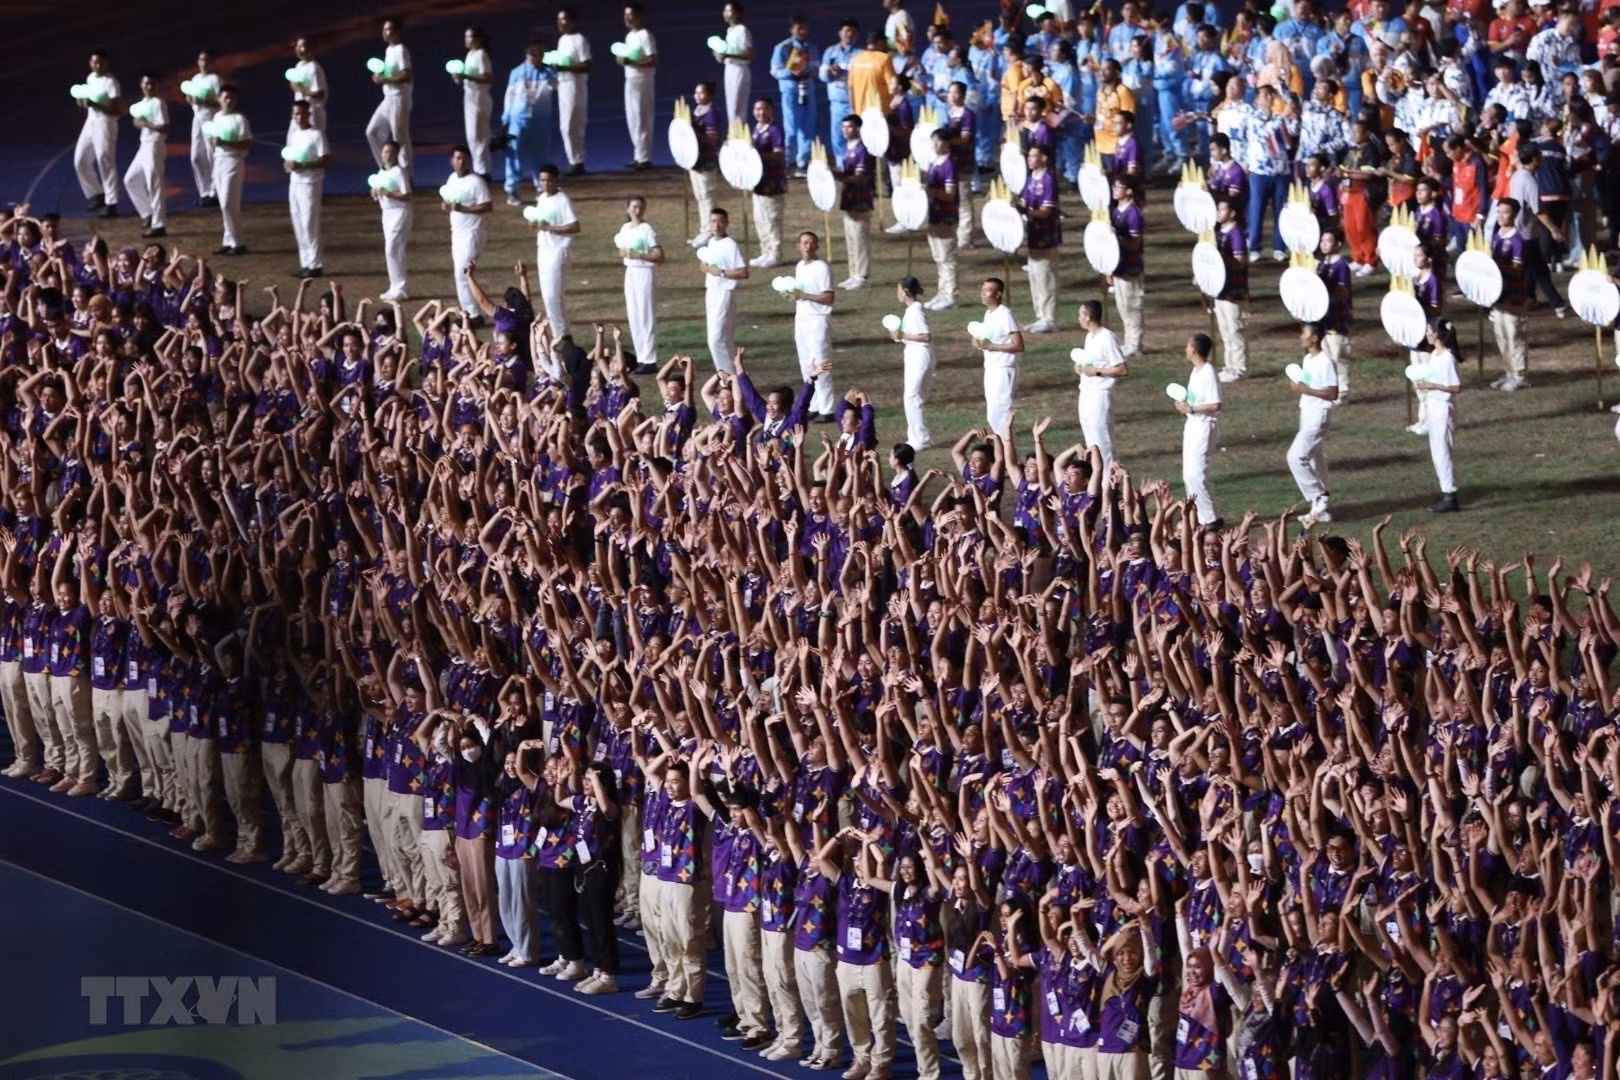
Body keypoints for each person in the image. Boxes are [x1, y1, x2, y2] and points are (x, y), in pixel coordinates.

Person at [1287, 322, 1340, 527]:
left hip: (1319, 414)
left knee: (1295, 457)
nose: (1301, 337)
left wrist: (1305, 390)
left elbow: (1333, 393)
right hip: (1307, 412)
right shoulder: (1308, 359)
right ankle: (1320, 511)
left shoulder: (1326, 361)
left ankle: (1318, 495)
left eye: (1304, 333)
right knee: (1316, 458)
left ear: (1314, 338)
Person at [1075, 300, 1129, 470]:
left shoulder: (1107, 337)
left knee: (1102, 440)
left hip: (1100, 393)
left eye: (1080, 314)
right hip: (1086, 392)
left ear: (1088, 316)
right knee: (1091, 440)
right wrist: (1081, 368)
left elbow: (1122, 369)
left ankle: (1111, 482)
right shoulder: (1089, 337)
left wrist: (1097, 371)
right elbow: (1090, 363)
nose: (1078, 318)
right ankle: (1097, 482)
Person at [442, 145, 493, 321]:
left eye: (464, 158)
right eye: (457, 158)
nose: (461, 161)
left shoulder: (476, 181)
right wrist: (446, 206)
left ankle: (473, 315)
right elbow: (448, 201)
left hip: (472, 233)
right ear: (451, 161)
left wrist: (464, 208)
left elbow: (488, 206)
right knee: (460, 273)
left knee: (462, 273)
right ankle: (469, 313)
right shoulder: (451, 179)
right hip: (456, 234)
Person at [529, 164, 580, 340]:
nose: (545, 184)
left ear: (556, 180)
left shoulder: (563, 199)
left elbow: (575, 226)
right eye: (542, 180)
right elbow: (541, 222)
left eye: (549, 180)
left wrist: (550, 228)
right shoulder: (542, 198)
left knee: (552, 295)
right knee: (547, 295)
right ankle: (561, 333)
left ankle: (562, 335)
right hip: (543, 248)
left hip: (558, 250)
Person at [1417, 316, 1463, 512]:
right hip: (1434, 407)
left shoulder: (1447, 357)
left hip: (1444, 409)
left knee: (1443, 452)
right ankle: (1447, 492)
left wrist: (1431, 385)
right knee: (1437, 452)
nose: (1426, 334)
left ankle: (1450, 495)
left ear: (1436, 333)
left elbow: (1455, 387)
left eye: (1429, 330)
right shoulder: (1435, 354)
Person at [502, 43, 557, 206]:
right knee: (514, 155)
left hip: (540, 120)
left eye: (540, 53)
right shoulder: (517, 72)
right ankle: (512, 190)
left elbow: (555, 87)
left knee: (540, 155)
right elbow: (509, 96)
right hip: (518, 120)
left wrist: (551, 71)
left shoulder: (548, 71)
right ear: (527, 54)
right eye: (533, 53)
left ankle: (541, 189)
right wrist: (505, 118)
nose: (536, 56)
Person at [1177, 332, 1222, 527]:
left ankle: (1209, 518)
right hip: (1193, 424)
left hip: (1204, 425)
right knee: (1189, 472)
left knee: (1195, 473)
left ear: (1194, 349)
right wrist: (1185, 405)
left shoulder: (1208, 371)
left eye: (1188, 346)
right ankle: (1198, 514)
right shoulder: (1195, 372)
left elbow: (1215, 404)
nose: (1186, 349)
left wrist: (1192, 409)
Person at [616, 194, 663, 373]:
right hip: (631, 272)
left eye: (640, 207)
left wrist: (639, 255)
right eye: (634, 207)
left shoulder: (647, 230)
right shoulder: (625, 228)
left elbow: (659, 255)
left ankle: (650, 359)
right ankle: (641, 356)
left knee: (645, 315)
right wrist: (624, 253)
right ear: (628, 209)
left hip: (645, 272)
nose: (637, 210)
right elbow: (621, 247)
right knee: (634, 315)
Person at [1017, 144, 1061, 334]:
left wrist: (1027, 211)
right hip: (1033, 233)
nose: (1029, 159)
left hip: (1046, 233)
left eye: (1034, 156)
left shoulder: (1048, 179)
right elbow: (1024, 203)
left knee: (1046, 275)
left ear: (1043, 158)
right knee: (1034, 275)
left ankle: (1049, 318)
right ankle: (1039, 315)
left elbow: (1047, 210)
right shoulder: (1029, 179)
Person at [284, 99, 330, 280]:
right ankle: (305, 263)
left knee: (310, 223)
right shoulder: (294, 135)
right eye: (296, 114)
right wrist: (288, 165)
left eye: (303, 113)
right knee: (298, 222)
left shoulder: (317, 134)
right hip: (295, 183)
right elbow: (289, 158)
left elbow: (326, 158)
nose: (299, 117)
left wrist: (305, 165)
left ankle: (315, 264)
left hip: (311, 184)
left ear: (309, 114)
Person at [73, 50, 122, 218]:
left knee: (105, 161)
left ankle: (111, 202)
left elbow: (116, 110)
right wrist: (84, 103)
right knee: (80, 159)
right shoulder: (90, 78)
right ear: (90, 63)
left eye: (101, 62)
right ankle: (96, 194)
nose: (97, 65)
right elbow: (89, 100)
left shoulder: (111, 83)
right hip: (91, 122)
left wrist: (94, 103)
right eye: (94, 62)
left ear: (107, 64)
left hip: (106, 123)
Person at [973, 277, 1024, 436]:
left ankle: (1008, 453)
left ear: (998, 294)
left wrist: (991, 346)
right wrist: (978, 341)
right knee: (993, 415)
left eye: (987, 290)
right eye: (982, 289)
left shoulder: (1005, 314)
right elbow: (988, 339)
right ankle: (1002, 451)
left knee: (998, 415)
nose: (983, 293)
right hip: (991, 368)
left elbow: (1019, 345)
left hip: (1004, 369)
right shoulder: (989, 314)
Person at [1489, 198, 1531, 391]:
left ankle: (1520, 374)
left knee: (1515, 334)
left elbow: (1517, 268)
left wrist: (1497, 266)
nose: (1500, 216)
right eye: (1498, 212)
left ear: (1514, 215)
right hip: (1498, 295)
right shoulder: (1497, 235)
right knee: (1501, 334)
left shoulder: (1517, 239)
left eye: (1505, 212)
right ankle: (1508, 372)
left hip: (1514, 295)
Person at [770, 15, 819, 175]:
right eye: (799, 28)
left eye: (805, 28)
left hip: (808, 91)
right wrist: (791, 72)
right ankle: (787, 162)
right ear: (791, 30)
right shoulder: (783, 47)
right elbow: (775, 70)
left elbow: (816, 67)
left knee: (808, 128)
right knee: (791, 129)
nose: (803, 31)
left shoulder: (811, 48)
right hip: (791, 92)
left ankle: (802, 164)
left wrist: (810, 71)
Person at [701, 208, 748, 372]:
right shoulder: (711, 242)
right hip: (712, 292)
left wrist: (721, 272)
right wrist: (706, 268)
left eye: (720, 221)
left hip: (724, 293)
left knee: (716, 340)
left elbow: (743, 272)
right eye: (713, 221)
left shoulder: (730, 245)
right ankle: (735, 375)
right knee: (725, 339)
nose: (716, 225)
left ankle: (727, 377)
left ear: (726, 223)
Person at [891, 277, 935, 449]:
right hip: (913, 354)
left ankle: (921, 438)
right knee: (912, 397)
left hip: (919, 355)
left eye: (899, 290)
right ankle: (915, 436)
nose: (897, 293)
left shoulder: (916, 310)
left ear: (906, 291)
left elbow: (925, 336)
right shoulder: (912, 310)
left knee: (912, 397)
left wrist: (903, 335)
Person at [124, 73, 169, 240]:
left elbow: (164, 127)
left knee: (154, 183)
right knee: (131, 179)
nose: (148, 87)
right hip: (144, 146)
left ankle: (159, 224)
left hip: (155, 145)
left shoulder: (159, 103)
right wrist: (139, 122)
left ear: (156, 85)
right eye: (145, 83)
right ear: (141, 85)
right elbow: (137, 120)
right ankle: (147, 213)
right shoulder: (142, 104)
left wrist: (146, 123)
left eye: (151, 83)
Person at [208, 85, 252, 257]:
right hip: (219, 161)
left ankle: (238, 242)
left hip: (234, 161)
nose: (228, 101)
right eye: (225, 98)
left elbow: (246, 142)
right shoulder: (217, 116)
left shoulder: (240, 119)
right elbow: (214, 138)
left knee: (228, 202)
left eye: (231, 98)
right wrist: (215, 142)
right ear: (219, 99)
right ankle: (228, 240)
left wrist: (225, 143)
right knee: (223, 203)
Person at [365, 17, 414, 171]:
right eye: (384, 29)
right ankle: (386, 168)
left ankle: (406, 174)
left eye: (388, 29)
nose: (384, 32)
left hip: (399, 99)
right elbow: (389, 75)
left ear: (397, 31)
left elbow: (407, 75)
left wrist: (384, 78)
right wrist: (379, 76)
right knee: (372, 132)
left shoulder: (401, 50)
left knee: (400, 138)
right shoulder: (389, 50)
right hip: (388, 98)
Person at [836, 115, 875, 290]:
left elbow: (860, 176)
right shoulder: (848, 147)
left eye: (849, 127)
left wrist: (841, 177)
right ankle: (853, 272)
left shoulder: (861, 150)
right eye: (844, 127)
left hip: (860, 198)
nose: (846, 130)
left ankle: (862, 274)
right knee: (851, 238)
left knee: (860, 238)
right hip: (849, 198)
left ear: (857, 128)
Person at [1212, 199, 1249, 381]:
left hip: (1234, 289)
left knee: (1235, 329)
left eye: (1222, 208)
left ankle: (1239, 367)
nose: (1218, 212)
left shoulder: (1236, 233)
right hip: (1221, 290)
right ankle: (1229, 365)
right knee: (1225, 330)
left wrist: (1222, 258)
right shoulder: (1218, 233)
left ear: (1232, 213)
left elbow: (1241, 261)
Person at [923, 128, 960, 310]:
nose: (935, 145)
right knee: (939, 257)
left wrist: (931, 192)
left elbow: (950, 194)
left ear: (947, 144)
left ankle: (951, 295)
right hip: (934, 215)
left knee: (947, 257)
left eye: (939, 141)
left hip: (946, 215)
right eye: (933, 141)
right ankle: (942, 292)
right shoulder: (934, 163)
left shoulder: (949, 165)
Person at [553, 7, 592, 175]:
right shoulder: (562, 40)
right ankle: (573, 160)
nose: (560, 23)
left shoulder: (580, 40)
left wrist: (565, 67)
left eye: (563, 19)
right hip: (563, 84)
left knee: (573, 123)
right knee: (565, 125)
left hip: (575, 86)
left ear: (572, 21)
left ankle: (578, 161)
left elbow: (587, 64)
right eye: (559, 19)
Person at [619, 3, 658, 170]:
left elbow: (652, 59)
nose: (627, 18)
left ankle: (645, 158)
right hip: (630, 80)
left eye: (631, 15)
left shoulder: (645, 35)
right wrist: (622, 61)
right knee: (633, 119)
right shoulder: (629, 37)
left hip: (643, 81)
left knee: (642, 118)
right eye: (626, 15)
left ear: (639, 16)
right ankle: (638, 154)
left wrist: (630, 61)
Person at [1108, 177, 1145, 357]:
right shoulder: (1116, 212)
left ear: (1129, 191)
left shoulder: (1133, 213)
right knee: (1123, 306)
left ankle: (1135, 343)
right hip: (1118, 266)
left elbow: (1135, 243)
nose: (1114, 189)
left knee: (1132, 305)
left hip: (1131, 266)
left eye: (1118, 186)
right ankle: (1129, 341)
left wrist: (1118, 237)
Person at [749, 99, 787, 268]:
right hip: (758, 183)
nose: (761, 113)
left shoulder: (775, 130)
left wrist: (758, 155)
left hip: (773, 182)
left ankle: (775, 253)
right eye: (758, 109)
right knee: (760, 219)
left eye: (765, 109)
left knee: (772, 218)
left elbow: (779, 155)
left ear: (771, 111)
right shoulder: (755, 130)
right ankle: (765, 251)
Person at [1317, 229, 1354, 400]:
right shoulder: (1321, 265)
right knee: (1326, 355)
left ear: (1338, 244)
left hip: (1338, 318)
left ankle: (1343, 390)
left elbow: (1342, 293)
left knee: (1338, 355)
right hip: (1324, 320)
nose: (1324, 243)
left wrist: (1325, 296)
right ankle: (1331, 388)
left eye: (1328, 240)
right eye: (1322, 240)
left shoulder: (1341, 266)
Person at [373, 140, 413, 301]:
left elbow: (407, 195)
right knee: (391, 250)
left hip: (400, 212)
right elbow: (379, 191)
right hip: (387, 214)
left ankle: (401, 287)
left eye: (390, 152)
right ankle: (394, 286)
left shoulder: (399, 172)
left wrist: (388, 193)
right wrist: (375, 193)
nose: (387, 155)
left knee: (393, 248)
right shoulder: (381, 172)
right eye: (385, 152)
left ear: (396, 154)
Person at [452, 26, 494, 176]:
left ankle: (484, 172)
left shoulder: (482, 55)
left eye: (469, 37)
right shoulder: (470, 55)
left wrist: (466, 76)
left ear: (478, 39)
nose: (466, 40)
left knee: (480, 135)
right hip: (469, 97)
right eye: (465, 37)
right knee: (472, 136)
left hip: (479, 96)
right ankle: (479, 169)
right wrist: (459, 77)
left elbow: (487, 77)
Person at [688, 81, 725, 248]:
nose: (697, 96)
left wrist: (693, 131)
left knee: (708, 196)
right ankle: (704, 229)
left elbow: (711, 138)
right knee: (700, 196)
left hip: (707, 160)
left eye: (701, 93)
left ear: (710, 95)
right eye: (696, 93)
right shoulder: (695, 112)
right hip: (695, 159)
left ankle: (711, 231)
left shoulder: (711, 113)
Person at [183, 51, 221, 207]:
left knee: (212, 155)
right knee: (196, 157)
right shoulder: (195, 79)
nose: (203, 62)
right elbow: (192, 99)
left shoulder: (215, 79)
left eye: (206, 59)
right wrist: (190, 99)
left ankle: (215, 191)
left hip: (211, 118)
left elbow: (220, 102)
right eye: (201, 59)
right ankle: (204, 191)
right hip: (197, 119)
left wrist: (204, 100)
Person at [821, 20, 861, 161]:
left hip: (854, 102)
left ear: (856, 34)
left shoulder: (860, 54)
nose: (849, 34)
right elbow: (822, 75)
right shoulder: (830, 52)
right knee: (838, 135)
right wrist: (830, 72)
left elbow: (862, 76)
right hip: (837, 102)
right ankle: (841, 164)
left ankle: (858, 163)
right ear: (840, 33)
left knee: (856, 134)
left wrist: (844, 71)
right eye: (846, 31)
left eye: (852, 31)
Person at [716, 1, 755, 126]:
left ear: (737, 13)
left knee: (738, 107)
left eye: (729, 10)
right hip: (729, 69)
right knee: (731, 107)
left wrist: (728, 55)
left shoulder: (742, 30)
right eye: (724, 10)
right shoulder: (729, 31)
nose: (725, 13)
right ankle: (733, 135)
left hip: (740, 69)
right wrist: (719, 55)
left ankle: (740, 137)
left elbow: (749, 55)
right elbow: (727, 54)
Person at [286, 37, 328, 135]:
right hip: (298, 112)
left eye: (302, 46)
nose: (298, 49)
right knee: (291, 142)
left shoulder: (314, 68)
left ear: (310, 49)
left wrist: (300, 89)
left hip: (311, 113)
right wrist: (294, 85)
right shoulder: (298, 66)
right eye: (297, 46)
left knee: (313, 146)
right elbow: (295, 87)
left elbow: (320, 94)